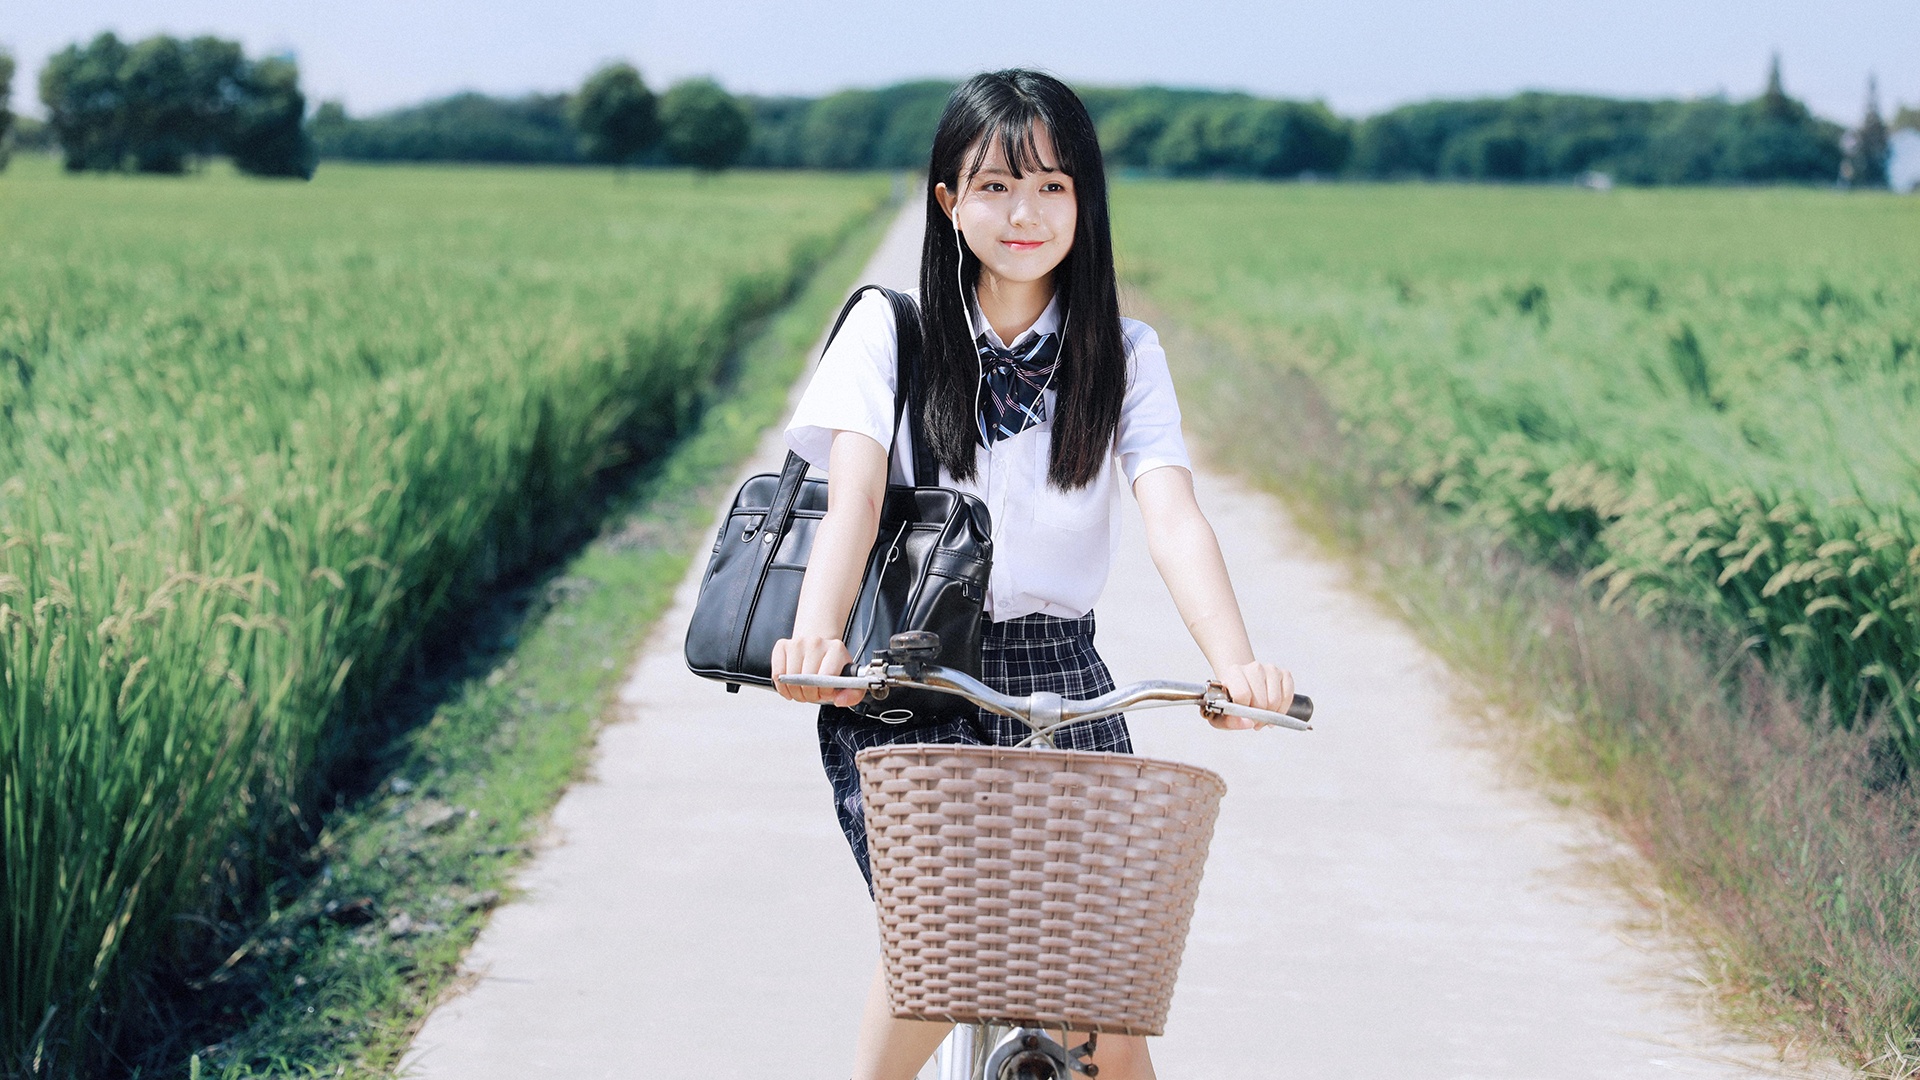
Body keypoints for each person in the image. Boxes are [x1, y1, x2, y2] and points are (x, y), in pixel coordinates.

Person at [771, 69, 1295, 1080]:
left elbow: (1172, 514)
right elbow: (858, 500)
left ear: (1085, 202)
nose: (1025, 214)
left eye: (1053, 187)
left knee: (1106, 987)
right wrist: (818, 631)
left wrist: (1237, 665)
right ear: (948, 202)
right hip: (910, 675)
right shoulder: (894, 332)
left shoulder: (1124, 354)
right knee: (942, 946)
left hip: (1061, 669)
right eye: (996, 187)